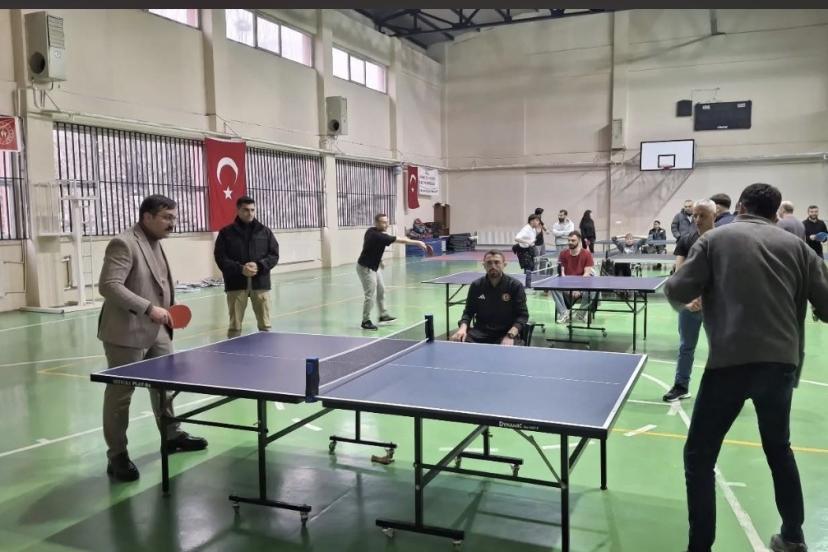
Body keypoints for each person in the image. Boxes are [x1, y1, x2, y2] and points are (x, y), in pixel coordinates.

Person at [664, 182, 828, 552]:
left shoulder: (714, 240)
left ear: (739, 207)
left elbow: (676, 290)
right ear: (775, 213)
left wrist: (699, 292)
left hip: (729, 362)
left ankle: (700, 547)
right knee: (779, 449)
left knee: (699, 457)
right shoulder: (799, 248)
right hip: (781, 364)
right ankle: (793, 537)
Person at [98, 195, 207, 482]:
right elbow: (109, 286)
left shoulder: (156, 242)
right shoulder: (123, 243)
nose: (173, 223)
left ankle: (171, 436)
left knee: (165, 388)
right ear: (147, 217)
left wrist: (167, 309)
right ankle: (117, 456)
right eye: (167, 217)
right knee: (121, 396)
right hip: (126, 333)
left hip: (158, 330)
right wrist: (148, 308)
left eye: (174, 217)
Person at [661, 199, 716, 403]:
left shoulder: (724, 240)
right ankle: (681, 386)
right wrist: (688, 300)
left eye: (703, 215)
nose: (698, 219)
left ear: (714, 216)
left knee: (719, 348)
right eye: (695, 215)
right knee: (686, 347)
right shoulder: (686, 239)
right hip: (691, 305)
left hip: (716, 306)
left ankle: (719, 390)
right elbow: (679, 273)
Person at [213, 196, 280, 339]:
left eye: (252, 210)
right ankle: (232, 349)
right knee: (235, 326)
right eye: (246, 210)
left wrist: (259, 265)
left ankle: (267, 348)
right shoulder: (226, 233)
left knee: (265, 325)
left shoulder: (265, 232)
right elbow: (220, 257)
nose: (250, 213)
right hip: (236, 284)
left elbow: (274, 255)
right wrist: (240, 269)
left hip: (260, 284)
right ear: (238, 211)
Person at [357, 213, 427, 330]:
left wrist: (380, 261)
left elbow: (372, 248)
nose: (386, 224)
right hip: (366, 268)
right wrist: (418, 242)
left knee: (381, 290)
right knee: (370, 295)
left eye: (387, 222)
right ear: (376, 223)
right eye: (383, 222)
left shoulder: (371, 231)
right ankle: (365, 321)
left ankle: (383, 315)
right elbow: (400, 240)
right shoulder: (378, 236)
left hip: (374, 267)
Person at [450, 250, 529, 345]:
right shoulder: (476, 285)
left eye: (497, 262)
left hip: (506, 332)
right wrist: (462, 329)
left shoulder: (515, 285)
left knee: (512, 348)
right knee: (458, 341)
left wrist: (510, 335)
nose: (493, 266)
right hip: (480, 333)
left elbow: (523, 315)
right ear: (484, 265)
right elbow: (468, 312)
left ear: (504, 265)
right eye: (489, 263)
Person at [553, 230, 595, 324]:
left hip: (582, 286)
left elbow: (587, 274)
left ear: (579, 240)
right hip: (567, 285)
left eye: (573, 240)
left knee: (594, 290)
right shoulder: (563, 253)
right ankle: (563, 313)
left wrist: (578, 289)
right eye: (569, 240)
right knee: (553, 287)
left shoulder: (586, 254)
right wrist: (570, 288)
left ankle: (581, 314)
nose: (570, 242)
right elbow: (562, 274)